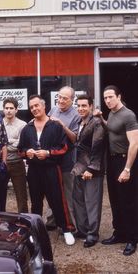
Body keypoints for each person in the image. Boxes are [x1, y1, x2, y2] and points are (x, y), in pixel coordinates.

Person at [18, 94, 75, 246]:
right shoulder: (27, 128)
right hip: (34, 170)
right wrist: (27, 153)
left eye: (37, 105)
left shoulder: (55, 126)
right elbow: (20, 150)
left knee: (57, 200)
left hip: (51, 169)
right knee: (36, 202)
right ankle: (35, 230)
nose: (34, 109)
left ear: (44, 106)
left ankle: (66, 229)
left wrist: (48, 153)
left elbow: (64, 147)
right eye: (31, 107)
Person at [97, 85, 138, 256]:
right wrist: (101, 119)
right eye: (105, 98)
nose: (107, 100)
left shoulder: (128, 115)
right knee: (114, 199)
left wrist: (127, 169)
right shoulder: (112, 113)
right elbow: (113, 129)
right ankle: (119, 233)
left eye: (110, 97)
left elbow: (135, 144)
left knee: (128, 201)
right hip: (113, 160)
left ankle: (132, 238)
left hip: (124, 161)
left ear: (118, 96)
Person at [71, 94, 106, 247]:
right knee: (78, 200)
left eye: (84, 106)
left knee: (92, 201)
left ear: (91, 106)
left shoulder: (96, 122)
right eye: (78, 106)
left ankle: (92, 234)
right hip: (78, 166)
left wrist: (91, 168)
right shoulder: (79, 121)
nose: (80, 108)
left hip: (92, 168)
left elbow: (98, 147)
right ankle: (82, 230)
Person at [46, 86, 80, 230]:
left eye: (65, 98)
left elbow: (75, 139)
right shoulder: (53, 110)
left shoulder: (77, 115)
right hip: (52, 157)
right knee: (51, 188)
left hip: (67, 159)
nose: (60, 100)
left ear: (72, 100)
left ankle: (70, 224)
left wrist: (62, 125)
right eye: (59, 97)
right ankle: (52, 220)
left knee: (68, 193)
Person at [3, 97, 28, 213]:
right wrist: (12, 141)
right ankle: (1, 220)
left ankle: (24, 222)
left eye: (11, 108)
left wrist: (5, 145)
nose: (9, 110)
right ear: (3, 109)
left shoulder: (22, 125)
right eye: (6, 108)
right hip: (1, 164)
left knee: (21, 195)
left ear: (16, 110)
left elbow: (20, 145)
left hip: (17, 164)